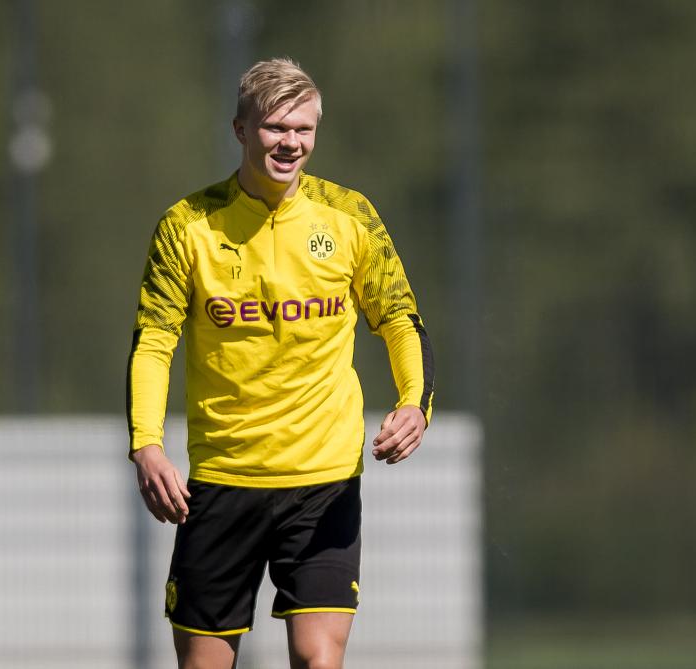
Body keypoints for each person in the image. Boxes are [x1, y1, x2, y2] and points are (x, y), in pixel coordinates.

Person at [126, 57, 434, 669]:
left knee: (319, 658)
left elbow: (401, 318)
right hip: (222, 478)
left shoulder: (350, 216)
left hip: (324, 479)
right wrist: (146, 444)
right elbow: (154, 340)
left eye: (304, 129)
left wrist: (413, 403)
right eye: (275, 127)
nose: (290, 143)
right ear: (241, 130)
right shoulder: (187, 226)